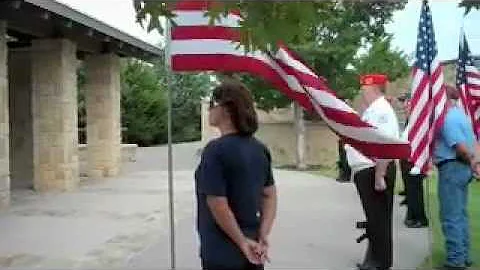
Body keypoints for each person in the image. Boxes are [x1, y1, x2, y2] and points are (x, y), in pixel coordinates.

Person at [195, 81, 278, 270]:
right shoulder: (259, 149)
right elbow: (269, 194)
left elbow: (217, 203)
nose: (209, 110)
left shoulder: (215, 151)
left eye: (211, 105)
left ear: (225, 109)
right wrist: (263, 234)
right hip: (254, 248)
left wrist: (241, 242)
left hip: (221, 252)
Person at [348, 74, 400, 270]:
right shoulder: (374, 110)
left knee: (379, 218)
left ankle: (380, 262)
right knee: (374, 218)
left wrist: (380, 174)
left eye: (365, 89)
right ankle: (374, 258)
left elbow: (386, 144)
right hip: (368, 170)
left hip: (375, 170)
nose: (363, 93)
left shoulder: (382, 111)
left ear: (375, 89)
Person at [433, 84, 479, 270]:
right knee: (460, 214)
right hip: (462, 168)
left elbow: (459, 146)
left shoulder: (448, 118)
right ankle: (464, 254)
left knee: (450, 216)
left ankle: (455, 260)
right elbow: (473, 142)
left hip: (452, 166)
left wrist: (470, 161)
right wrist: (474, 164)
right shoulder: (461, 116)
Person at [397, 93, 428, 228]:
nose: (404, 106)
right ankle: (411, 215)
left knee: (415, 190)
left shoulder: (417, 122)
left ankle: (419, 218)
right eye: (403, 103)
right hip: (405, 160)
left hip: (413, 161)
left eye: (407, 103)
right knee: (410, 191)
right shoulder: (409, 121)